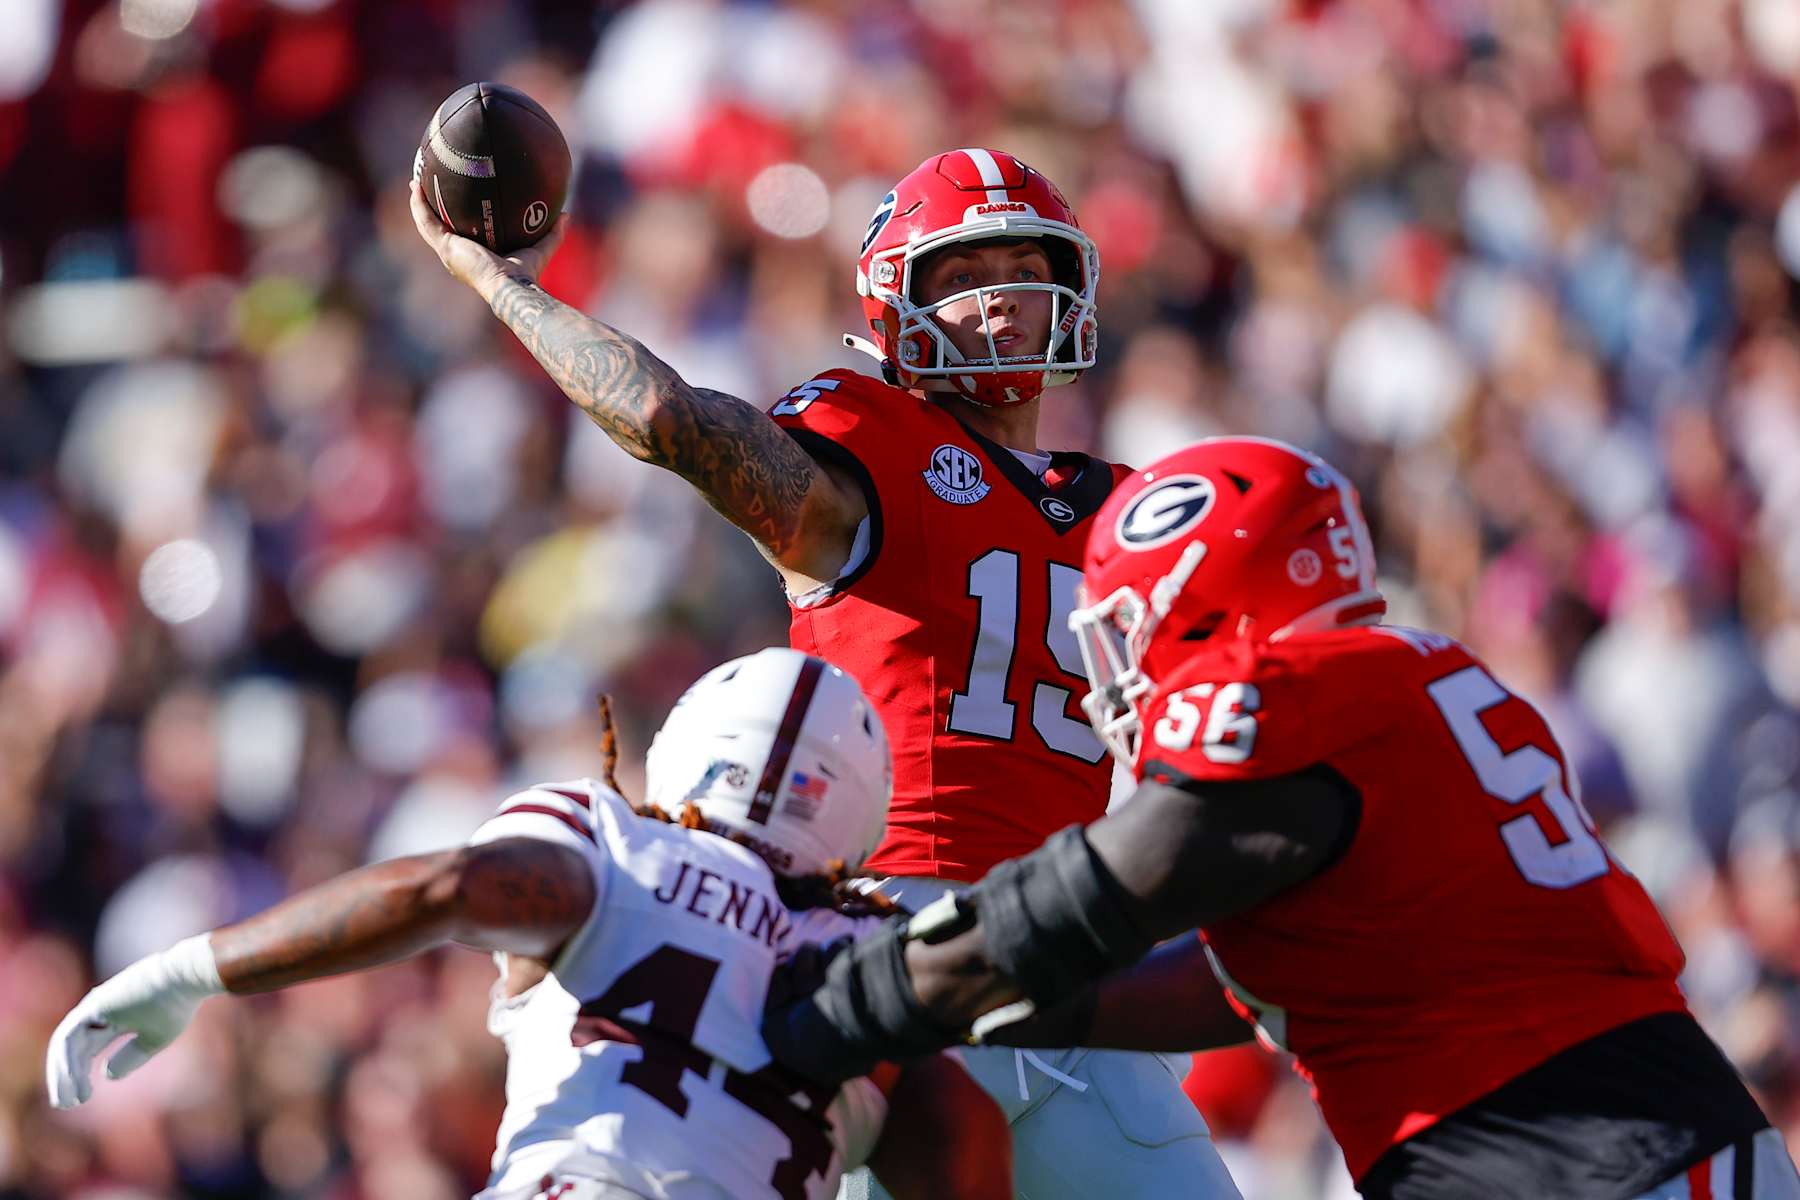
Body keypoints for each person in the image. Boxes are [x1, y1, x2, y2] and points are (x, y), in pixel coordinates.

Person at [411, 148, 1239, 1199]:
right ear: (896, 304)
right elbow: (668, 422)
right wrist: (504, 285)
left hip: (1076, 954)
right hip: (895, 942)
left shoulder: (1136, 507)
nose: (1000, 299)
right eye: (960, 273)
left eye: (1024, 264)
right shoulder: (872, 438)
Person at [761, 438, 1800, 1200]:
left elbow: (1116, 878)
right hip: (1638, 1134)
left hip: (1567, 1153)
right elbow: (1242, 987)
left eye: (1126, 628)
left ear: (1201, 601)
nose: (1115, 676)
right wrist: (1009, 1008)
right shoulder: (1417, 679)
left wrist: (861, 997)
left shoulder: (1297, 691)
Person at [47, 648, 1009, 1200]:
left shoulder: (609, 840)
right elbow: (967, 1144)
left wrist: (193, 971)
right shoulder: (881, 962)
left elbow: (440, 891)